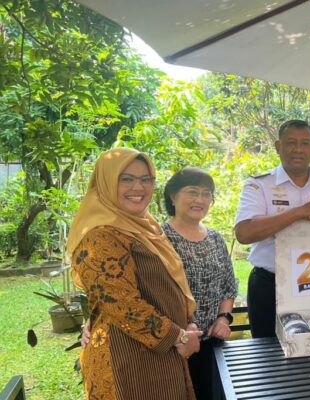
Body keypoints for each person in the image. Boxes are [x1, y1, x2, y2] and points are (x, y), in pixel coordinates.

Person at [68, 148, 200, 400]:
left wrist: (187, 322)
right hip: (126, 359)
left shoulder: (143, 226)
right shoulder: (100, 235)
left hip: (158, 354)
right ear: (106, 182)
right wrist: (179, 337)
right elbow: (121, 303)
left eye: (145, 179)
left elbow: (165, 284)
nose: (138, 187)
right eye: (126, 179)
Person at [234, 120, 310, 338]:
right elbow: (244, 233)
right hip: (270, 286)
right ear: (278, 147)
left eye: (305, 143)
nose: (298, 149)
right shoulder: (259, 185)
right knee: (267, 350)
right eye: (291, 143)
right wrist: (299, 212)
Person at [163, 168, 238, 400]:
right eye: (192, 192)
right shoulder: (159, 238)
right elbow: (156, 292)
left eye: (206, 194)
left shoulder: (215, 238)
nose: (200, 199)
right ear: (172, 196)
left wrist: (224, 318)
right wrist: (184, 329)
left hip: (213, 343)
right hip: (177, 344)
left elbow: (228, 285)